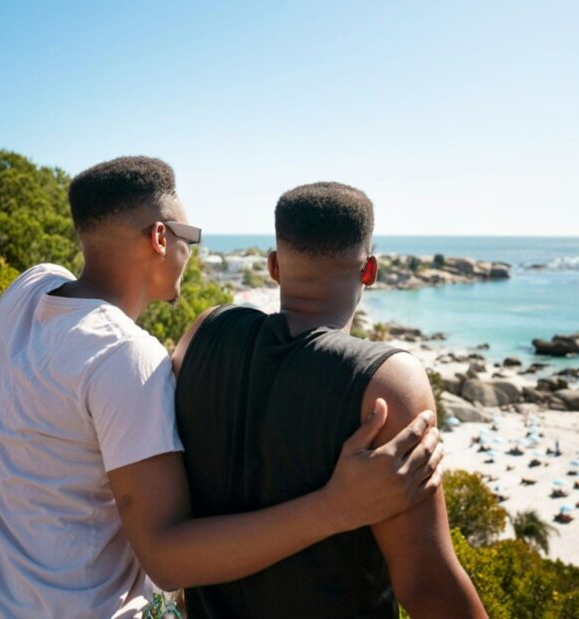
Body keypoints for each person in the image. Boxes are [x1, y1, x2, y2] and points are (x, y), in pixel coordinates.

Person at [0, 158, 443, 618]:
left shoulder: (28, 290)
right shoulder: (125, 358)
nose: (191, 252)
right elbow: (166, 558)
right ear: (161, 237)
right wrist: (335, 506)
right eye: (191, 237)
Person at [173, 182, 487, 618]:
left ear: (274, 266)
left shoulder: (201, 334)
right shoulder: (386, 382)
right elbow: (427, 584)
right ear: (370, 270)